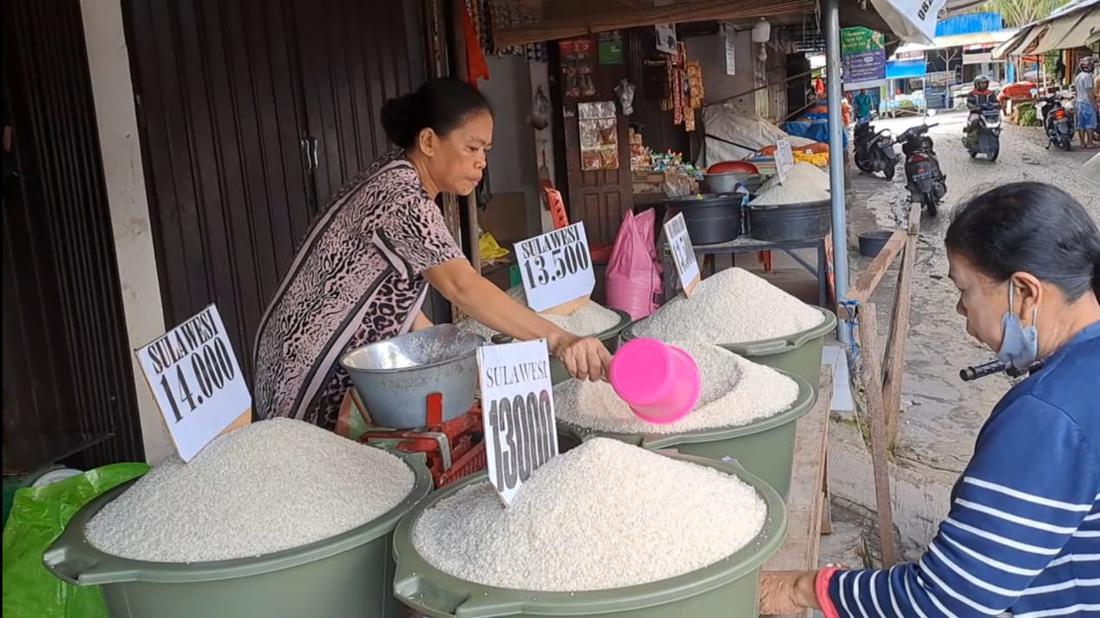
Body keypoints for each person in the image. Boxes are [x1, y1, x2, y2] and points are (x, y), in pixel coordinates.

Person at [760, 182, 1100, 617]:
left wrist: (802, 589)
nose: (960, 312)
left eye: (964, 291)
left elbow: (945, 601)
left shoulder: (1049, 417)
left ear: (1026, 293)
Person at [252, 78, 611, 429]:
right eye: (472, 148)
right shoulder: (402, 197)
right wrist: (560, 339)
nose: (482, 162)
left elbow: (391, 296)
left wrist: (447, 350)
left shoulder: (397, 177)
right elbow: (461, 286)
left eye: (486, 151)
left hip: (293, 355)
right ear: (428, 141)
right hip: (304, 370)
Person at [965, 75, 997, 148]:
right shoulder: (972, 93)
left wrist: (997, 106)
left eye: (985, 83)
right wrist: (973, 107)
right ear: (977, 84)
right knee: (975, 122)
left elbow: (995, 102)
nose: (984, 85)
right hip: (976, 113)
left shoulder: (991, 93)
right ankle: (971, 140)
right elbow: (969, 102)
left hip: (988, 113)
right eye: (982, 83)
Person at [1075, 57, 1097, 148]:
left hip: (1079, 102)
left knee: (1081, 124)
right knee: (1089, 124)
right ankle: (1090, 143)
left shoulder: (1078, 76)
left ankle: (1082, 143)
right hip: (1087, 103)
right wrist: (1094, 104)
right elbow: (1090, 93)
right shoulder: (1087, 77)